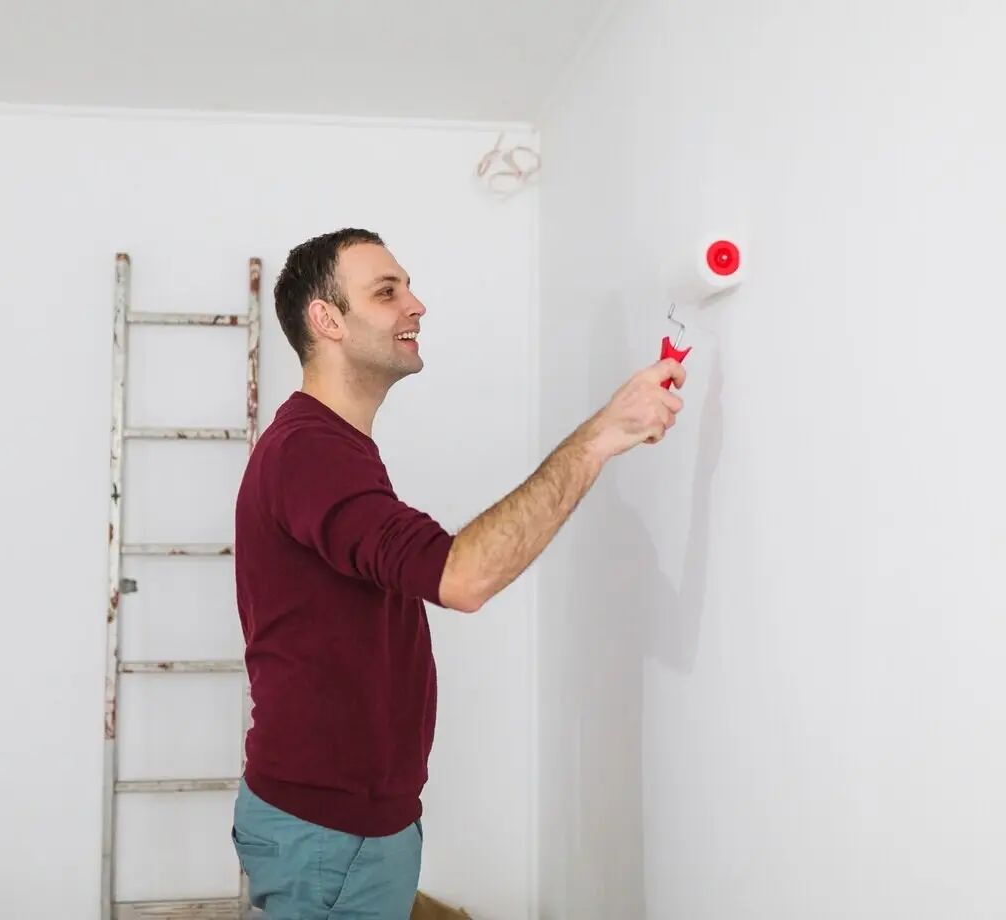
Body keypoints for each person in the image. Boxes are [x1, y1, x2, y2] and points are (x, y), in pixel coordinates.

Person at [230, 227, 686, 919]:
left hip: (340, 834)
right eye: (386, 292)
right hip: (330, 840)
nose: (415, 304)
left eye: (407, 287)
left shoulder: (329, 447)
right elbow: (461, 576)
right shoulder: (310, 453)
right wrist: (602, 436)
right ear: (327, 319)